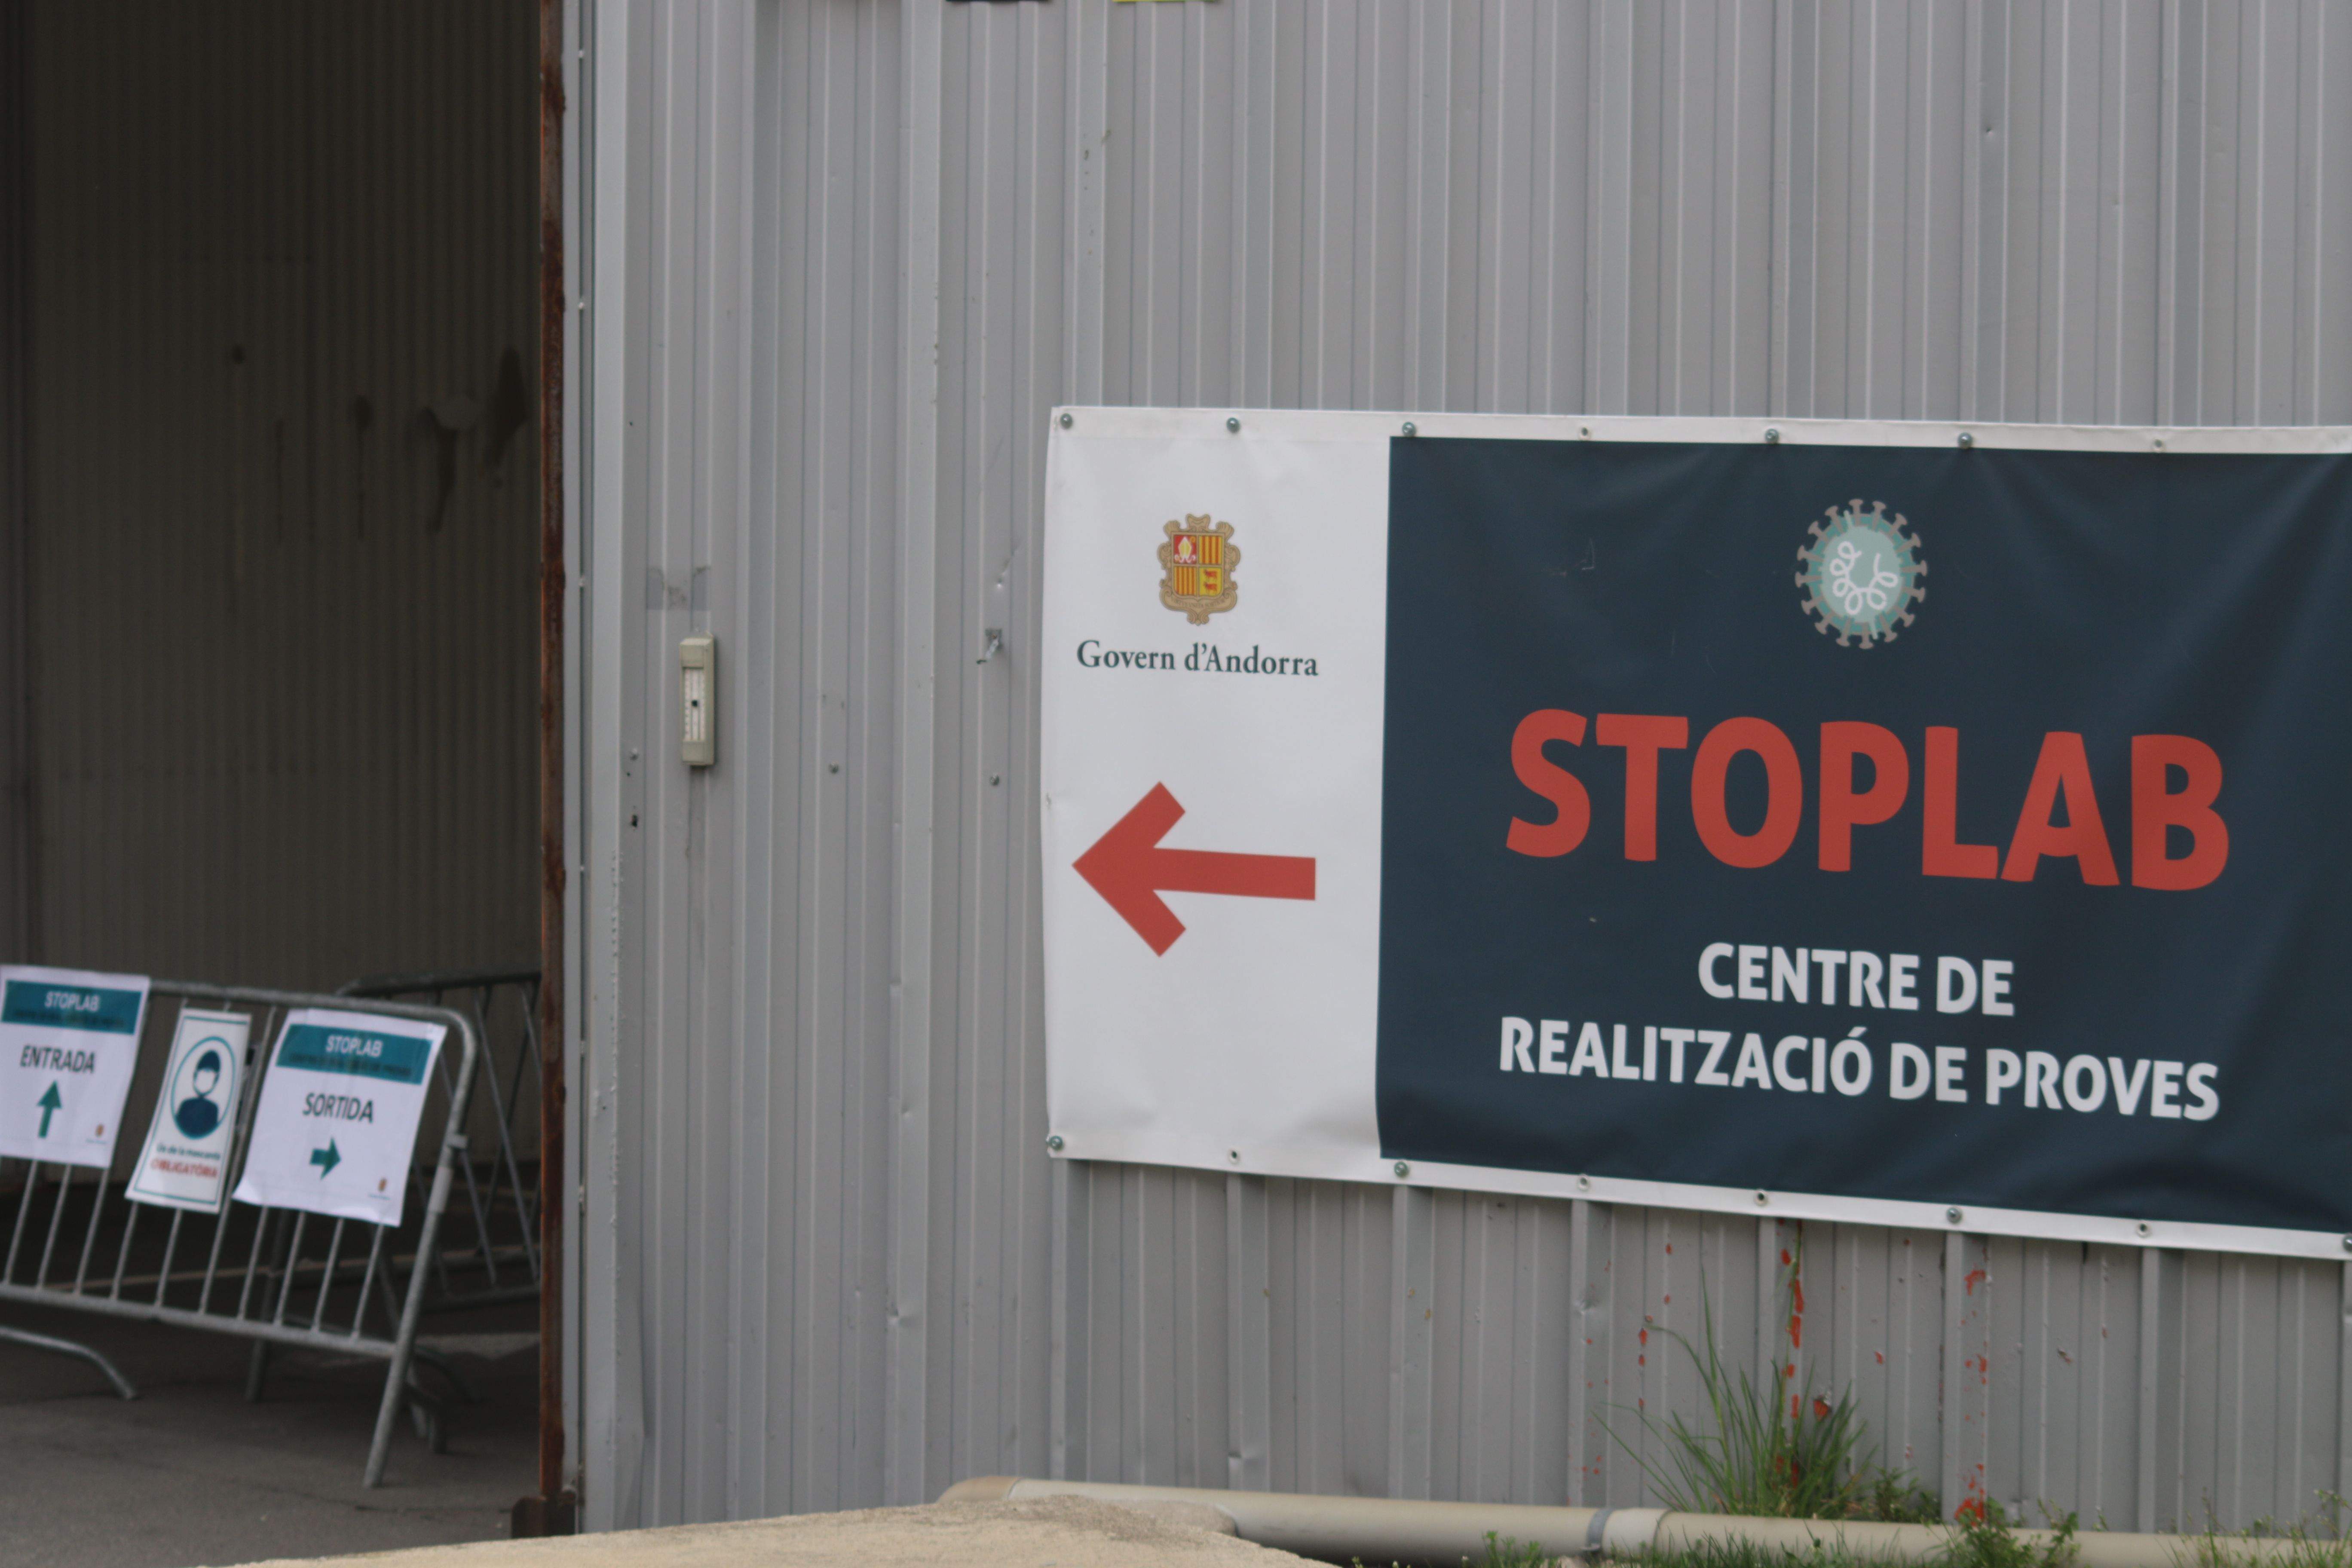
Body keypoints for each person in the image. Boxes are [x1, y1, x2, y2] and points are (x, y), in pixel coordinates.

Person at [172, 1047, 226, 1139]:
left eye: (210, 1076)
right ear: (195, 1075)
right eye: (204, 1074)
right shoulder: (186, 1105)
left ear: (215, 1080)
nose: (205, 1080)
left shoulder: (213, 1109)